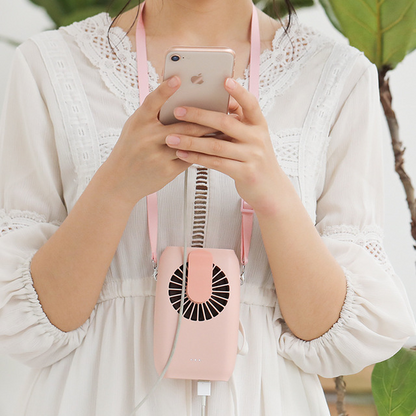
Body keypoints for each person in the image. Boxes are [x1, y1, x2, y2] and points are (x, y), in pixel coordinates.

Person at [0, 0, 415, 414]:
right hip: (94, 397)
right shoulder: (49, 64)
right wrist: (115, 186)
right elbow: (30, 323)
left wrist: (272, 194)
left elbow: (329, 333)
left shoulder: (337, 75)